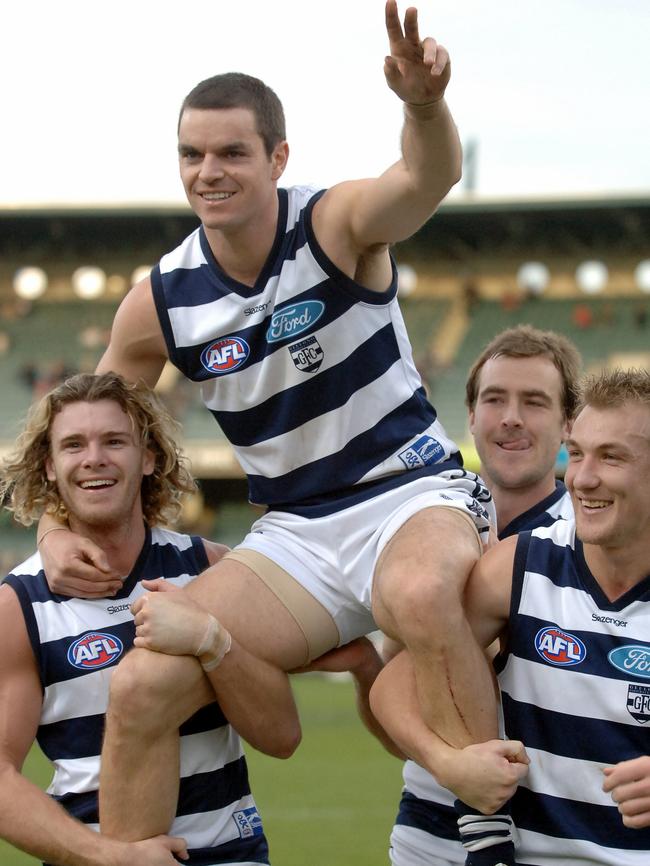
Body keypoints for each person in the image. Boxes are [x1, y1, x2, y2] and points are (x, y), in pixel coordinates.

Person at [37, 1, 499, 851]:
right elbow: (86, 418)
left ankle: (490, 833)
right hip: (294, 534)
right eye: (192, 154)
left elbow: (423, 179)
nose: (209, 171)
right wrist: (55, 524)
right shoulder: (163, 300)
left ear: (277, 156)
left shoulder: (331, 225)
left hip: (409, 492)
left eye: (232, 152)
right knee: (142, 684)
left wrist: (425, 108)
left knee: (419, 594)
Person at [0, 372, 300, 866]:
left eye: (115, 441)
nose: (94, 457)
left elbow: (281, 736)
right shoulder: (21, 605)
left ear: (150, 457)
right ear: (49, 466)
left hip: (231, 853)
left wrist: (211, 642)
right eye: (73, 445)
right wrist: (110, 856)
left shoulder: (210, 568)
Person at [373, 366, 650, 864]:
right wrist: (450, 764)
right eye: (578, 452)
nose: (582, 478)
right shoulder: (519, 567)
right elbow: (393, 688)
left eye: (612, 457)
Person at [385, 325, 581, 865]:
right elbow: (391, 697)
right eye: (494, 399)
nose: (511, 417)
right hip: (428, 824)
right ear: (470, 416)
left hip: (553, 833)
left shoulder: (590, 537)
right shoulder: (422, 525)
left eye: (534, 402)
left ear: (569, 424)